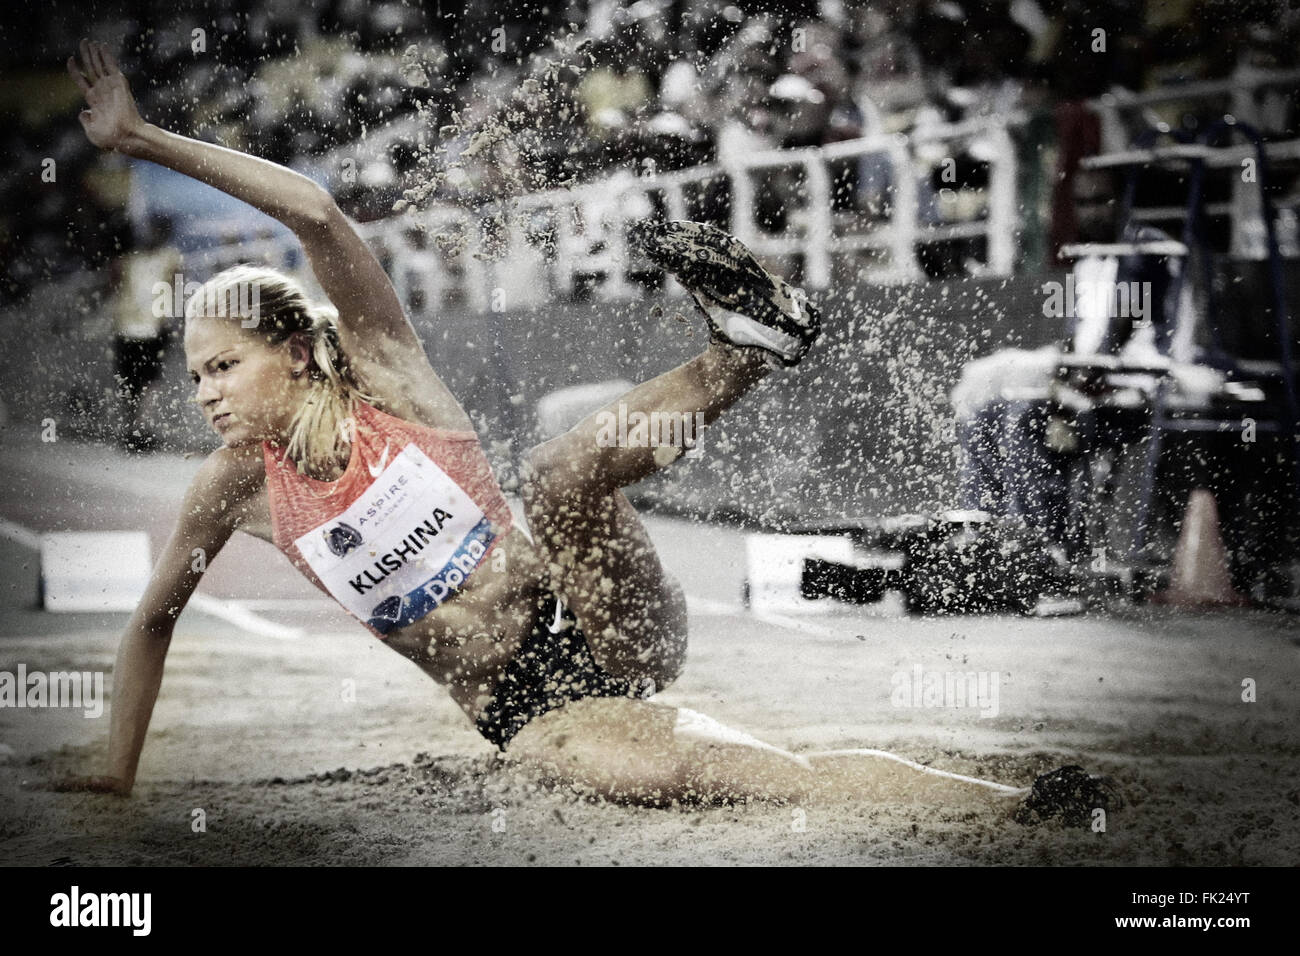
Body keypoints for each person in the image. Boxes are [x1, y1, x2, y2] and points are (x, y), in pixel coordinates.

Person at [53, 39, 1114, 825]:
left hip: (603, 615)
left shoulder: (387, 374)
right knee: (698, 772)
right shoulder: (233, 488)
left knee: (560, 470)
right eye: (193, 376)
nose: (203, 393)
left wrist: (143, 138)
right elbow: (150, 622)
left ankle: (749, 345)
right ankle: (1011, 799)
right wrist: (115, 765)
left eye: (223, 366)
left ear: (292, 350)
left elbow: (320, 215)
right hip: (533, 707)